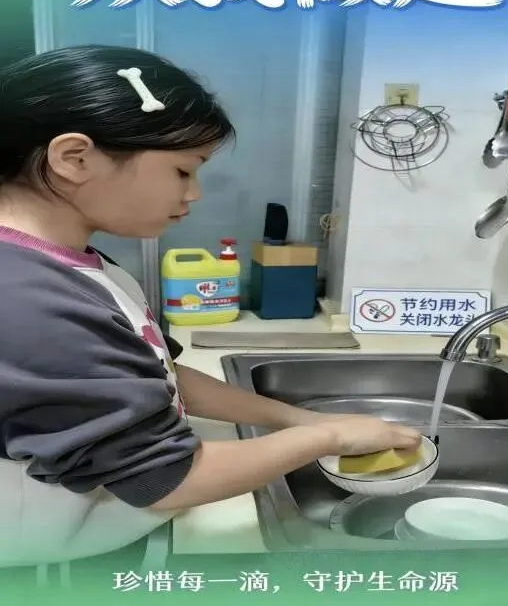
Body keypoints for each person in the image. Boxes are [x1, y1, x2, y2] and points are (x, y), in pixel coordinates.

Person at [0, 44, 420, 567]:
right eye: (183, 170)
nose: (194, 193)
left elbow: (161, 375)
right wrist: (327, 435)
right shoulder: (28, 299)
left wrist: (294, 418)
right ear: (74, 159)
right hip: (63, 565)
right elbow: (166, 481)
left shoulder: (73, 263)